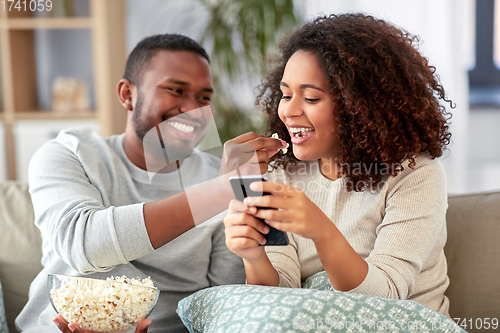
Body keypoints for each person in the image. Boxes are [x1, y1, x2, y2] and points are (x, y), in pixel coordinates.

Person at [16, 34, 286, 333]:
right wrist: (221, 191)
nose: (192, 109)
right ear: (127, 94)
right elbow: (84, 244)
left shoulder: (220, 174)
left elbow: (224, 298)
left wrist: (236, 197)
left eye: (204, 97)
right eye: (175, 89)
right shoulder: (69, 153)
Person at [224, 13, 453, 317]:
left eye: (310, 97)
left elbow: (388, 296)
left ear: (358, 105)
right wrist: (253, 256)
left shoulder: (415, 175)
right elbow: (278, 299)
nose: (289, 111)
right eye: (286, 94)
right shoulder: (281, 172)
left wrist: (321, 230)